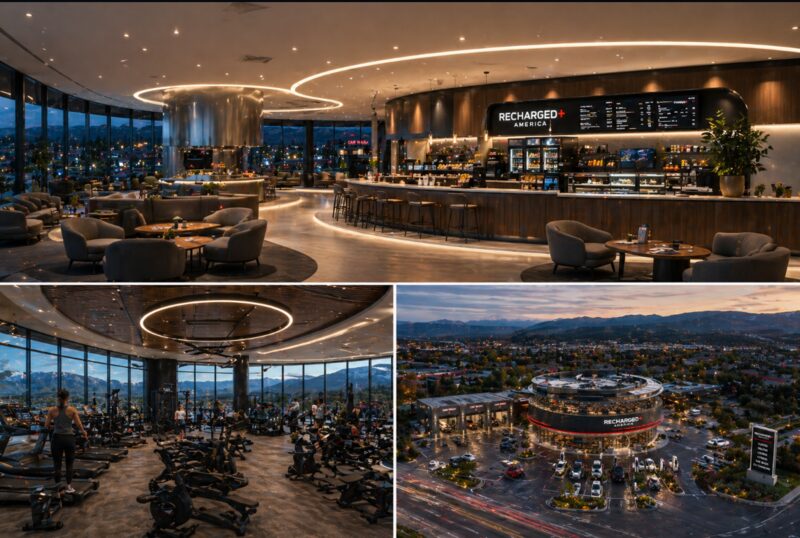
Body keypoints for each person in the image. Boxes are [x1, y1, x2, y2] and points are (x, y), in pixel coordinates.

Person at [44, 389, 88, 494]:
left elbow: (46, 425)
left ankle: (58, 488)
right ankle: (68, 487)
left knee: (57, 464)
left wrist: (56, 426)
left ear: (57, 397)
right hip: (69, 439)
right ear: (67, 398)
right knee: (69, 464)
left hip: (57, 439)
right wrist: (84, 433)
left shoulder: (51, 410)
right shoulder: (72, 410)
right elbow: (78, 424)